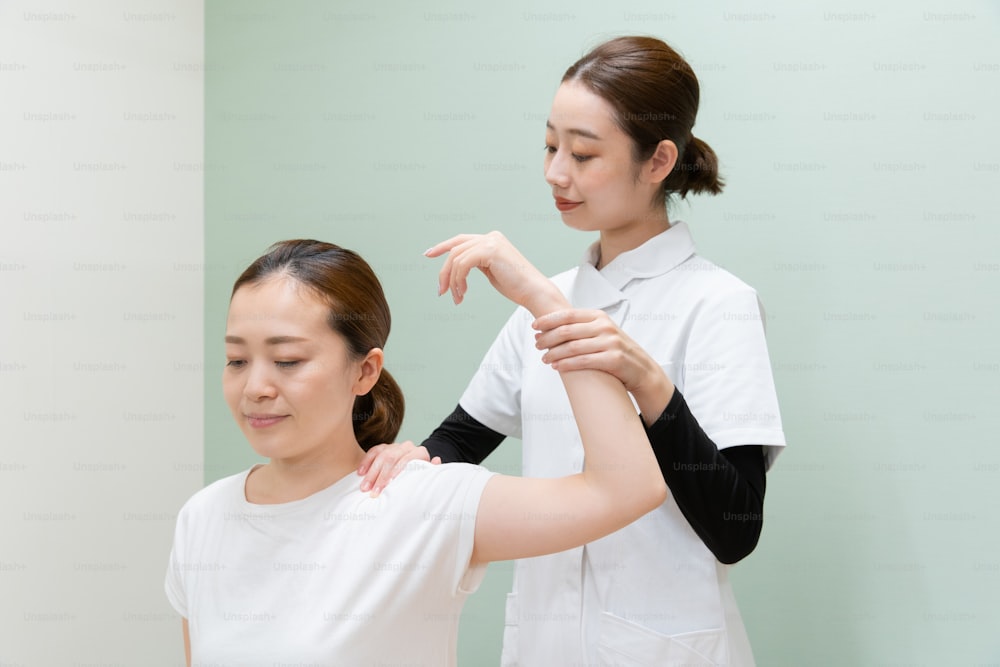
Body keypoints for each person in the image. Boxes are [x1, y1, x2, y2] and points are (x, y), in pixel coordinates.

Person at [358, 36, 786, 666]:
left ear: (659, 161)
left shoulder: (718, 304)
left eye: (584, 153)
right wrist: (410, 460)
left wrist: (647, 380)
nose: (557, 173)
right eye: (551, 146)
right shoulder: (549, 300)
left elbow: (735, 530)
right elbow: (459, 443)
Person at [164, 237, 666, 666]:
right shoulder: (203, 518)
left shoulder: (418, 504)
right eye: (235, 359)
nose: (255, 387)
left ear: (365, 371)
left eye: (287, 360)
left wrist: (546, 301)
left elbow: (627, 487)